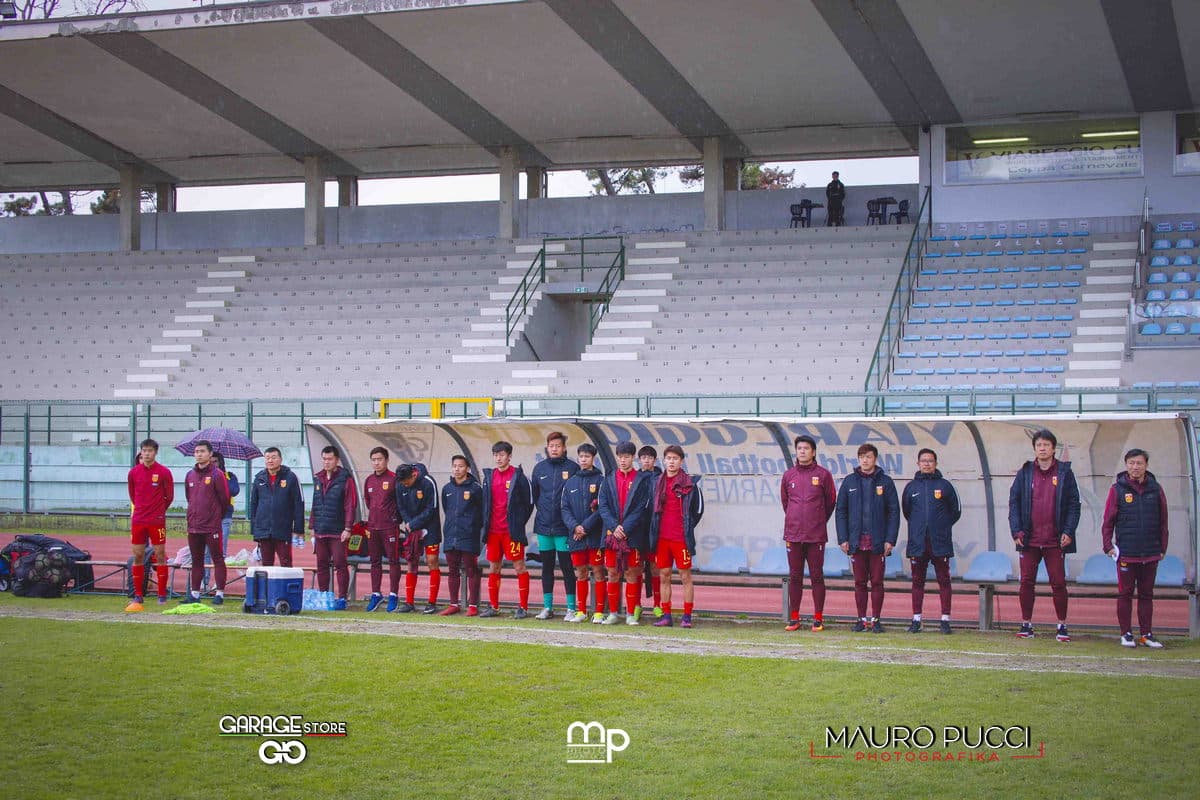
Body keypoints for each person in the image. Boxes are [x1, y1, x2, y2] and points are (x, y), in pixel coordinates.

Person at [1008, 428, 1080, 642]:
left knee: (1058, 583)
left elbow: (1073, 505)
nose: (1042, 448)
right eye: (1039, 445)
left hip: (1055, 540)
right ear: (1034, 448)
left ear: (1053, 448)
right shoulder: (1025, 472)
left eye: (1046, 445)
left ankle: (1061, 625)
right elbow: (1014, 502)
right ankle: (1026, 624)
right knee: (1026, 582)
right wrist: (1016, 530)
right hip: (1029, 540)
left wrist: (1068, 531)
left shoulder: (1065, 473)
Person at [1101, 448, 1169, 649]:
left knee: (1147, 594)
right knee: (1125, 594)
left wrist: (1162, 547)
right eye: (1131, 463)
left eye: (1139, 463)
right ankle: (1126, 634)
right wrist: (1108, 546)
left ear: (1146, 465)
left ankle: (1146, 634)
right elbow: (1108, 521)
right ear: (1126, 465)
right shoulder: (1117, 489)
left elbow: (1163, 521)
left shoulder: (1156, 489)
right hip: (1126, 553)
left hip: (1150, 552)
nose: (1135, 467)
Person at [836, 443, 900, 633]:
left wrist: (890, 539)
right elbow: (841, 512)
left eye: (869, 457)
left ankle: (876, 620)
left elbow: (894, 512)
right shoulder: (849, 482)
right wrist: (843, 538)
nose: (865, 460)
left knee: (878, 582)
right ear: (858, 460)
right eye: (862, 457)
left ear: (875, 459)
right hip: (856, 541)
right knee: (859, 582)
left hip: (878, 542)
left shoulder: (886, 482)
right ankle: (861, 619)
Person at [779, 435, 837, 632]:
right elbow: (786, 503)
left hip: (815, 536)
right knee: (794, 577)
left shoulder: (823, 475)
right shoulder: (788, 476)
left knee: (816, 577)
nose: (802, 451)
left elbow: (830, 503)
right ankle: (794, 618)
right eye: (799, 448)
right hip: (793, 535)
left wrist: (817, 520)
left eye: (806, 448)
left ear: (813, 452)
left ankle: (818, 618)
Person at [901, 449, 961, 634]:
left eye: (930, 461)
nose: (927, 464)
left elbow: (955, 512)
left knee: (944, 580)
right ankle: (917, 619)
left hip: (940, 542)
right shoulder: (911, 487)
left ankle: (945, 620)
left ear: (936, 463)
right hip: (918, 543)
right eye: (923, 461)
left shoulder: (945, 486)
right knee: (917, 581)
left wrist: (940, 526)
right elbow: (907, 512)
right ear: (918, 463)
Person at [598, 441, 655, 625]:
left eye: (627, 457)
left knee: (632, 573)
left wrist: (626, 528)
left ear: (633, 458)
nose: (623, 460)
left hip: (633, 535)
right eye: (620, 457)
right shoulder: (609, 479)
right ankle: (614, 613)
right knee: (612, 573)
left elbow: (641, 508)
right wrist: (615, 527)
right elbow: (603, 506)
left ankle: (631, 614)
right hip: (612, 535)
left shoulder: (641, 480)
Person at [649, 445, 704, 629]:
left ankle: (687, 616)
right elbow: (651, 510)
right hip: (662, 538)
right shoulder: (656, 482)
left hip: (680, 539)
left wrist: (686, 528)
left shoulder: (690, 484)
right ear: (663, 461)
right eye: (668, 458)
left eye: (675, 458)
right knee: (664, 575)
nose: (671, 462)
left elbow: (697, 511)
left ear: (681, 461)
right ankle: (666, 615)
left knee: (685, 576)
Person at [480, 441, 534, 618]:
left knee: (519, 566)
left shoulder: (518, 476)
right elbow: (485, 503)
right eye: (496, 455)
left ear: (509, 456)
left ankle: (523, 607)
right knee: (494, 567)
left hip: (511, 532)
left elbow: (529, 503)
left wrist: (518, 522)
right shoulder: (489, 476)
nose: (498, 458)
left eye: (502, 454)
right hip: (493, 532)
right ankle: (494, 607)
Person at [530, 431, 580, 620]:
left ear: (564, 448)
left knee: (567, 568)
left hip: (564, 529)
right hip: (543, 527)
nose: (554, 448)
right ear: (547, 447)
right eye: (551, 446)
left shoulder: (573, 468)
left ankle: (571, 608)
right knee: (546, 568)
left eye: (558, 446)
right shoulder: (539, 469)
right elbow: (535, 497)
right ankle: (547, 607)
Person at [125, 438, 174, 611]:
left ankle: (162, 594)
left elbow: (169, 496)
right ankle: (138, 594)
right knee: (138, 555)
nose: (147, 454)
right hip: (138, 520)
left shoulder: (164, 472)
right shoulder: (133, 472)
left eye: (150, 451)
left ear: (155, 452)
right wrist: (142, 509)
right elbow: (132, 495)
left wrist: (158, 511)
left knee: (160, 555)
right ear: (141, 452)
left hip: (157, 520)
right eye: (144, 451)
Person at [561, 443, 606, 623]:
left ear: (593, 458)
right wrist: (575, 527)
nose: (584, 459)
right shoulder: (570, 482)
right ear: (578, 458)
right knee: (580, 572)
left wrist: (584, 528)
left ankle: (599, 612)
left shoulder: (601, 481)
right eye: (581, 456)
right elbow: (564, 509)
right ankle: (581, 611)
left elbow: (602, 508)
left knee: (598, 571)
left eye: (587, 456)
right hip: (576, 536)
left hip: (594, 536)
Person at [310, 445, 359, 611]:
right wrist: (312, 526)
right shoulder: (318, 478)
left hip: (338, 530)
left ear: (337, 460)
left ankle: (342, 598)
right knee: (322, 564)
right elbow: (315, 503)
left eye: (329, 459)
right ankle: (324, 596)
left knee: (340, 564)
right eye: (324, 459)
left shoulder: (346, 479)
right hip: (321, 530)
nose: (326, 462)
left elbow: (350, 505)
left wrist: (347, 528)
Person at [183, 440, 231, 605]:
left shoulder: (217, 475)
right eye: (196, 451)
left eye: (202, 451)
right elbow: (189, 498)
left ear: (210, 454)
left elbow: (225, 499)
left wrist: (214, 516)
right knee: (196, 560)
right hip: (194, 526)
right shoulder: (190, 475)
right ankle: (195, 593)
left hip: (212, 526)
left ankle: (219, 593)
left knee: (217, 558)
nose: (199, 454)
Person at [440, 455, 484, 616]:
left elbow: (482, 512)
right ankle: (454, 604)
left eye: (460, 466)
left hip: (469, 536)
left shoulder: (475, 488)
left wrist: (472, 527)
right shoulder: (447, 489)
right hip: (451, 535)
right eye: (454, 466)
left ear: (467, 468)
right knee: (452, 570)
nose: (457, 469)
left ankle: (473, 605)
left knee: (471, 570)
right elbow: (446, 509)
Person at [395, 462, 442, 614]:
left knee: (431, 561)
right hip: (412, 528)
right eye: (403, 483)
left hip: (430, 527)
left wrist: (415, 523)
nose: (405, 485)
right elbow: (401, 507)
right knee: (411, 562)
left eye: (407, 482)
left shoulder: (428, 482)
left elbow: (432, 507)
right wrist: (409, 523)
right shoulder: (400, 484)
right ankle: (409, 602)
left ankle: (432, 602)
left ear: (414, 475)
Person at [248, 446, 303, 567]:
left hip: (283, 529)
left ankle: (285, 586)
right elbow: (254, 504)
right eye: (267, 458)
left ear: (280, 459)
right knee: (266, 564)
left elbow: (298, 503)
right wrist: (254, 529)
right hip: (263, 530)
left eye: (273, 457)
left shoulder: (291, 477)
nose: (270, 460)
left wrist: (298, 529)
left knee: (286, 562)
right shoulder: (259, 478)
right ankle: (268, 587)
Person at [362, 447, 402, 612]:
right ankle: (376, 594)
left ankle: (393, 594)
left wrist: (395, 519)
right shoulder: (369, 480)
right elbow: (368, 502)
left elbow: (400, 502)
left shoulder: (394, 479)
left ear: (386, 460)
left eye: (379, 459)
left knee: (393, 560)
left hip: (389, 527)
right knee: (375, 562)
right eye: (373, 460)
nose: (376, 463)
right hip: (373, 527)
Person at [638, 445, 664, 617]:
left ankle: (657, 605)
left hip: (656, 531)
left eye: (650, 458)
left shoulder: (661, 478)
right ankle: (636, 605)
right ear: (639, 460)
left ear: (655, 460)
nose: (647, 460)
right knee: (636, 568)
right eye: (644, 457)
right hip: (637, 531)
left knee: (655, 569)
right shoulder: (635, 477)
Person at [213, 452, 240, 557]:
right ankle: (206, 574)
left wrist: (221, 480)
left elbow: (234, 491)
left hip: (225, 515)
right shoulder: (205, 476)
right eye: (211, 462)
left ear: (221, 462)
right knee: (206, 551)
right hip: (209, 516)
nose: (213, 464)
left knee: (221, 546)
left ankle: (220, 572)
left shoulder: (230, 476)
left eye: (215, 461)